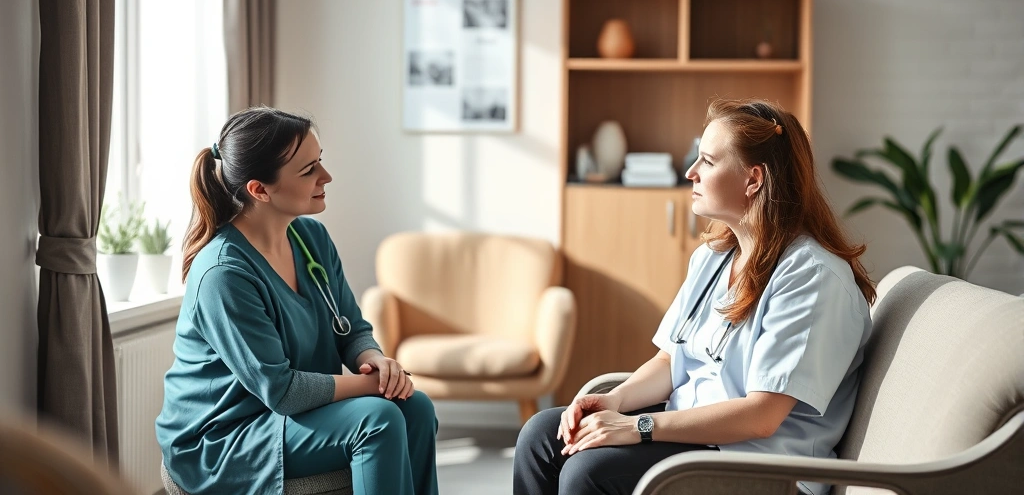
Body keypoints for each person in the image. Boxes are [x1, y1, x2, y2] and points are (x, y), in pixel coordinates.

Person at [514, 99, 875, 495]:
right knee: (542, 438)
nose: (690, 173)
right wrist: (614, 402)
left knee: (590, 469)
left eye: (707, 161)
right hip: (697, 436)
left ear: (753, 180)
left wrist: (639, 427)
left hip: (762, 466)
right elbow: (670, 360)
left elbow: (762, 416)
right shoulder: (713, 258)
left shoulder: (812, 276)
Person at [156, 107, 438, 495]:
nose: (327, 176)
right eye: (309, 171)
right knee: (379, 418)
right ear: (260, 189)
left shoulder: (312, 239)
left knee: (416, 408)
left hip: (291, 414)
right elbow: (282, 391)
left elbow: (351, 329)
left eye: (319, 161)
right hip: (225, 435)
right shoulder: (223, 273)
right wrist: (370, 387)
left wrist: (372, 360)